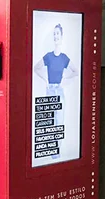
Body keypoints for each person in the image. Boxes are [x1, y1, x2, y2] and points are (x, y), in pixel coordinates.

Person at [33, 24, 79, 158]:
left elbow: (75, 71)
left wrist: (64, 81)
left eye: (57, 34)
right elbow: (36, 68)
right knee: (51, 121)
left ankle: (56, 153)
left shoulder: (64, 58)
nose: (55, 36)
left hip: (59, 91)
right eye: (54, 34)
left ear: (62, 36)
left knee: (59, 121)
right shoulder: (48, 56)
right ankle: (52, 151)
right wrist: (46, 80)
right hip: (50, 90)